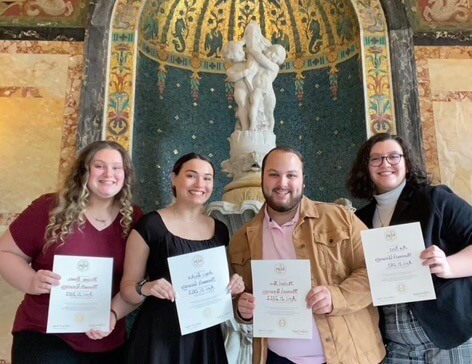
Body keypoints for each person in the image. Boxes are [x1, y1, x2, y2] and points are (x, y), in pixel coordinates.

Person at [229, 146, 386, 364]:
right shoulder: (241, 239)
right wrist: (242, 309)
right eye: (274, 174)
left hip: (347, 356)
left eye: (291, 175)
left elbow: (379, 269)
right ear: (262, 179)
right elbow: (239, 295)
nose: (282, 183)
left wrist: (337, 297)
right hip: (276, 358)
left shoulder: (341, 218)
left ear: (303, 180)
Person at [0, 140, 144, 363]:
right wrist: (30, 280)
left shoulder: (135, 219)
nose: (109, 173)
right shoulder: (49, 208)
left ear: (125, 175)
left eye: (117, 167)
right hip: (45, 334)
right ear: (83, 171)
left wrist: (114, 314)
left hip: (107, 340)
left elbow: (137, 284)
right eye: (99, 166)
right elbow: (6, 253)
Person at [347, 132, 472, 363]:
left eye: (393, 156)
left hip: (447, 336)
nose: (385, 164)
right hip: (396, 345)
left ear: (407, 163)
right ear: (366, 167)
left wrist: (449, 266)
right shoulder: (360, 219)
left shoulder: (435, 199)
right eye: (376, 159)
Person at [120, 152, 245, 363]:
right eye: (191, 175)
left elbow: (224, 284)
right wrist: (146, 287)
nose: (200, 183)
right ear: (173, 178)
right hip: (160, 336)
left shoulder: (220, 230)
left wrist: (235, 285)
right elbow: (127, 290)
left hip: (205, 336)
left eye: (207, 178)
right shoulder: (150, 226)